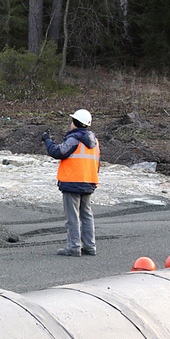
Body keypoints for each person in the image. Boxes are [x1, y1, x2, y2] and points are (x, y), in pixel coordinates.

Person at [41, 109, 100, 257]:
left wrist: (47, 140)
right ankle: (89, 246)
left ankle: (74, 247)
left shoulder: (74, 139)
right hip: (88, 182)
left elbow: (57, 152)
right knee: (86, 215)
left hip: (72, 182)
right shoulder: (95, 141)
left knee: (72, 217)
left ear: (75, 123)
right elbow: (97, 163)